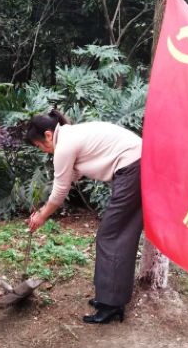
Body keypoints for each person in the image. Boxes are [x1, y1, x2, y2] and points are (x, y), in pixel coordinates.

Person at [25, 110, 143, 324]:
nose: (43, 151)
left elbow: (60, 192)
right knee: (118, 236)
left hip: (133, 168)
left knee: (111, 237)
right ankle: (110, 298)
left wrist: (41, 216)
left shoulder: (65, 144)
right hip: (135, 166)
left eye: (40, 145)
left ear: (48, 135)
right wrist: (42, 207)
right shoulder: (70, 135)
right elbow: (70, 177)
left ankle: (112, 304)